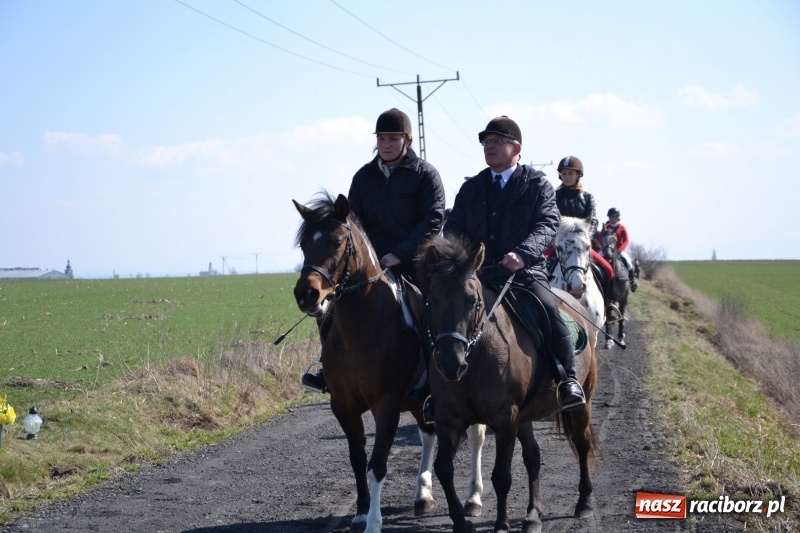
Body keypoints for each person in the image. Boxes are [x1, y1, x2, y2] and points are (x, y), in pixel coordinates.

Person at [444, 116, 585, 410]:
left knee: (549, 311)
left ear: (516, 147)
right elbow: (453, 226)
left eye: (497, 142)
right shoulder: (471, 188)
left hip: (523, 274)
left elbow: (547, 224)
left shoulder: (537, 185)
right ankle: (430, 388)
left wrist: (522, 253)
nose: (489, 147)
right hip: (477, 274)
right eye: (486, 142)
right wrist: (465, 259)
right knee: (438, 312)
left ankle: (567, 379)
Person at [301, 108, 446, 393]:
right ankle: (327, 367)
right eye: (382, 138)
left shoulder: (426, 175)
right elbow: (351, 224)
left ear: (408, 140)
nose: (387, 144)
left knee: (436, 308)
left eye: (393, 138)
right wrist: (366, 259)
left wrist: (399, 254)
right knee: (332, 308)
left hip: (414, 262)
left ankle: (435, 377)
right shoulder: (363, 178)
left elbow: (433, 221)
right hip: (370, 264)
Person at [553, 156, 617, 315]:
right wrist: (555, 238)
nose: (567, 177)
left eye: (570, 173)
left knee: (608, 270)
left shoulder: (588, 197)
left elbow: (593, 221)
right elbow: (550, 218)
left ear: (578, 176)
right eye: (564, 173)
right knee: (534, 267)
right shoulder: (554, 196)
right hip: (559, 243)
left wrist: (584, 237)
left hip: (581, 244)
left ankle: (608, 307)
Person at [597, 207, 638, 292]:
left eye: (613, 217)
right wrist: (604, 247)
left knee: (628, 262)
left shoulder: (622, 228)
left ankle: (632, 281)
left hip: (618, 250)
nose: (611, 219)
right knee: (596, 258)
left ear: (617, 217)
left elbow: (627, 240)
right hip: (606, 249)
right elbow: (600, 238)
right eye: (610, 217)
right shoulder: (606, 226)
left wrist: (620, 249)